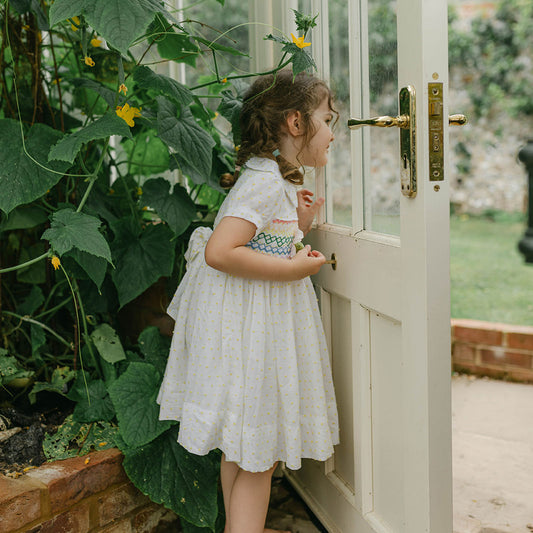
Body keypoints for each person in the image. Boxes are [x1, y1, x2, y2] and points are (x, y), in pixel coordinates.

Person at [157, 69, 339, 533]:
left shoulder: (270, 177)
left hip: (250, 328)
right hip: (251, 334)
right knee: (259, 458)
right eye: (328, 119)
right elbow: (222, 252)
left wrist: (297, 221)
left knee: (242, 451)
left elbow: (264, 242)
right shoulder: (261, 182)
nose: (333, 133)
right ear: (296, 123)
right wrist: (296, 268)